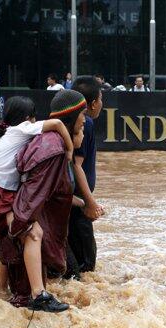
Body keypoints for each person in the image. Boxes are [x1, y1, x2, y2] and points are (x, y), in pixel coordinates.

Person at [0, 96, 75, 291]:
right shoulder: (23, 129)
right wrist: (69, 149)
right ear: (29, 118)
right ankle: (39, 293)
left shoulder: (3, 135)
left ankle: (1, 291)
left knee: (6, 237)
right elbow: (57, 123)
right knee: (33, 233)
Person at [0, 89, 88, 311]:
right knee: (24, 304)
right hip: (29, 235)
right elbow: (31, 195)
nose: (85, 120)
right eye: (83, 114)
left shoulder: (55, 144)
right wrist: (20, 230)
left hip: (34, 232)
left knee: (18, 302)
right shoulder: (52, 147)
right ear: (71, 116)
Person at [66, 76, 105, 279]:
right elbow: (77, 165)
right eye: (101, 99)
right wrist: (90, 203)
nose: (102, 104)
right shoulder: (86, 123)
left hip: (73, 199)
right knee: (87, 264)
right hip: (78, 201)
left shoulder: (77, 121)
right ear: (92, 104)